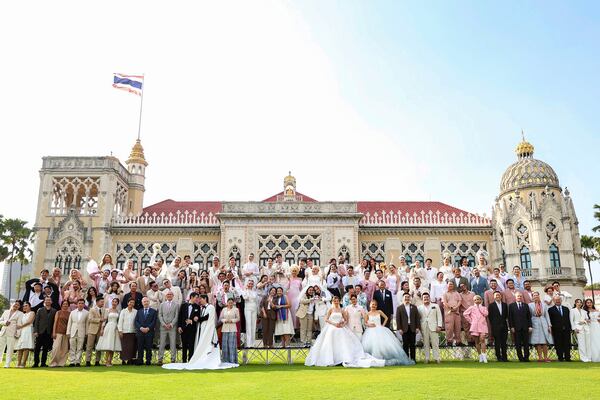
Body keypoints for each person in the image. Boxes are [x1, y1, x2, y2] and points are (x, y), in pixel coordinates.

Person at [163, 294, 238, 370]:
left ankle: (202, 360)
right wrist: (181, 325)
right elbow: (181, 316)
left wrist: (194, 320)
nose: (199, 300)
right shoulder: (188, 306)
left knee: (197, 346)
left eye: (200, 299)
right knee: (185, 346)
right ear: (191, 297)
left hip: (206, 331)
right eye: (197, 298)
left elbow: (207, 317)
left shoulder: (208, 307)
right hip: (195, 330)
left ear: (205, 299)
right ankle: (185, 360)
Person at [305, 296, 384, 367]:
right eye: (335, 301)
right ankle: (330, 360)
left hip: (341, 328)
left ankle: (341, 359)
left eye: (337, 301)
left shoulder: (342, 310)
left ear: (339, 301)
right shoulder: (331, 309)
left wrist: (343, 324)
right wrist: (334, 324)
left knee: (342, 344)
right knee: (330, 344)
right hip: (332, 328)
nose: (336, 302)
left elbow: (346, 320)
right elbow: (326, 319)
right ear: (333, 301)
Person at [361, 299, 414, 366]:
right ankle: (374, 360)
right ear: (370, 305)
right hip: (371, 331)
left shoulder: (379, 311)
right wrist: (369, 325)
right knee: (374, 345)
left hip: (380, 330)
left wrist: (382, 325)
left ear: (376, 306)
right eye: (372, 304)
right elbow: (365, 323)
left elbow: (386, 318)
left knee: (382, 345)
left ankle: (383, 358)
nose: (373, 306)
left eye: (375, 304)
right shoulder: (367, 314)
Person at [96, 297, 122, 366]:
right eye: (113, 301)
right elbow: (104, 321)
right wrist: (102, 329)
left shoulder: (118, 311)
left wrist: (119, 330)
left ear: (117, 303)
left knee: (113, 345)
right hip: (108, 327)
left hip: (115, 328)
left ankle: (110, 361)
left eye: (116, 302)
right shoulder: (107, 310)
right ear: (111, 302)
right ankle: (106, 361)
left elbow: (118, 321)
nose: (114, 303)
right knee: (108, 345)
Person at [463, 295, 489, 362]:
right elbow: (465, 314)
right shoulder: (471, 307)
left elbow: (486, 314)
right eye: (475, 300)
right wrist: (471, 321)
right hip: (475, 326)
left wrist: (480, 308)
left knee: (482, 340)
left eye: (478, 299)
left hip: (482, 326)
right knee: (477, 342)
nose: (477, 301)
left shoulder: (484, 308)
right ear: (473, 301)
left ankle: (484, 356)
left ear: (481, 300)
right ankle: (480, 356)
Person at [418, 293, 443, 364]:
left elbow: (439, 316)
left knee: (435, 343)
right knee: (426, 344)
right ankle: (427, 358)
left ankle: (437, 358)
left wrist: (439, 326)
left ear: (429, 298)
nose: (426, 299)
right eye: (424, 298)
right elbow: (418, 318)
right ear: (422, 299)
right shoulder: (419, 307)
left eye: (427, 297)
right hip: (424, 327)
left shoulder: (435, 306)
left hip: (434, 327)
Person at [529, 291, 553, 362]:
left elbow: (547, 315)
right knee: (538, 342)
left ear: (539, 296)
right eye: (534, 295)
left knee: (544, 341)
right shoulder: (529, 305)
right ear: (532, 297)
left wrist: (549, 325)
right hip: (534, 322)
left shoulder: (544, 304)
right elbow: (529, 316)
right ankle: (540, 358)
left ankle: (546, 357)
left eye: (537, 295)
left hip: (543, 322)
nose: (536, 296)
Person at [508, 292, 532, 362]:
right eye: (518, 296)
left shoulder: (526, 305)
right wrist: (511, 327)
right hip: (516, 328)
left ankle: (526, 357)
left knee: (526, 344)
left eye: (520, 296)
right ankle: (520, 358)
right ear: (515, 297)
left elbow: (529, 317)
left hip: (525, 327)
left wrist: (530, 326)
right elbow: (510, 317)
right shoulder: (511, 306)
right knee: (518, 344)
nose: (519, 297)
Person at [32, 296, 56, 367]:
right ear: (44, 301)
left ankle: (43, 363)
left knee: (45, 349)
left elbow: (54, 322)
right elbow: (36, 321)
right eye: (46, 300)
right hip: (40, 332)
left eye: (49, 300)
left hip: (48, 332)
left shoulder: (54, 311)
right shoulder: (40, 310)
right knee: (37, 349)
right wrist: (35, 331)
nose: (48, 301)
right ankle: (36, 363)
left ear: (51, 302)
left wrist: (52, 332)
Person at [396, 293, 420, 362]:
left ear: (410, 298)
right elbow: (398, 319)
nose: (407, 298)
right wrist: (399, 328)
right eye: (405, 297)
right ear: (403, 298)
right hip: (404, 329)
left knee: (413, 344)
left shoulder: (414, 307)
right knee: (405, 344)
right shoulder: (399, 308)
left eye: (408, 297)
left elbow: (417, 318)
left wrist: (417, 327)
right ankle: (406, 360)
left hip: (412, 328)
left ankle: (413, 359)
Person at [547, 295, 572, 362]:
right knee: (558, 344)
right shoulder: (550, 310)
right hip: (556, 330)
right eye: (556, 300)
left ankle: (567, 357)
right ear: (554, 301)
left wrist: (570, 328)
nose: (557, 301)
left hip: (566, 329)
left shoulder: (566, 309)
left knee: (567, 343)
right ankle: (560, 358)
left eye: (559, 299)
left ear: (561, 300)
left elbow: (569, 319)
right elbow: (550, 321)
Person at [158, 291, 179, 365]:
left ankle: (173, 359)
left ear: (173, 296)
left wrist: (171, 324)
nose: (169, 295)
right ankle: (160, 359)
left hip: (172, 327)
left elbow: (176, 316)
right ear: (166, 296)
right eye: (168, 294)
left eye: (170, 294)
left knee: (173, 343)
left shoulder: (176, 305)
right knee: (162, 344)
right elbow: (160, 315)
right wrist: (163, 324)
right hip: (163, 327)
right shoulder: (162, 305)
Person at [135, 297, 157, 365]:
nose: (146, 303)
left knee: (148, 347)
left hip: (149, 332)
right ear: (142, 303)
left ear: (149, 302)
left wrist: (148, 328)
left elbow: (154, 321)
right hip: (140, 332)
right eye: (144, 301)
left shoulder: (153, 311)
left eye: (147, 301)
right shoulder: (139, 311)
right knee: (140, 347)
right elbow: (136, 321)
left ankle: (148, 360)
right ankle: (140, 360)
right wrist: (140, 328)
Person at [178, 293, 200, 362]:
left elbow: (198, 317)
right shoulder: (183, 305)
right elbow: (180, 317)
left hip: (192, 329)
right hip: (183, 328)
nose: (197, 299)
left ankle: (190, 360)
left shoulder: (197, 307)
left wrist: (192, 320)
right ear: (191, 297)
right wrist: (179, 326)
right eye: (196, 297)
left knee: (191, 345)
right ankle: (184, 360)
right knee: (184, 345)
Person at [67, 298, 89, 366]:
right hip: (73, 331)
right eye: (79, 303)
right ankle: (72, 362)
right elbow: (69, 323)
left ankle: (78, 362)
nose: (81, 304)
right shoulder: (72, 312)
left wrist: (86, 333)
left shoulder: (87, 313)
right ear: (77, 304)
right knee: (72, 347)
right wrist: (68, 332)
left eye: (82, 303)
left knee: (80, 347)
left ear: (84, 304)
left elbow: (87, 324)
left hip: (82, 332)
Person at [85, 296, 106, 366]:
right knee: (89, 346)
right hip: (92, 330)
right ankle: (88, 361)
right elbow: (90, 319)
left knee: (99, 346)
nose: (103, 303)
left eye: (103, 302)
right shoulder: (92, 310)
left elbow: (105, 320)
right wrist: (99, 320)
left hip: (100, 331)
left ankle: (97, 361)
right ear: (97, 302)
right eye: (101, 302)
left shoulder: (104, 310)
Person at [488, 291, 508, 362]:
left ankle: (505, 357)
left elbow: (506, 315)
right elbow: (490, 317)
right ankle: (498, 357)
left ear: (501, 296)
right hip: (495, 326)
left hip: (504, 326)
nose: (498, 296)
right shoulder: (491, 305)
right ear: (494, 297)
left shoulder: (505, 305)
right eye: (496, 295)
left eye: (499, 295)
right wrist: (494, 324)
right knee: (497, 342)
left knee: (504, 343)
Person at [49, 300, 71, 367]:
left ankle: (61, 363)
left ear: (68, 305)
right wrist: (54, 332)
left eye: (66, 304)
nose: (65, 305)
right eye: (64, 304)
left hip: (66, 333)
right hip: (58, 332)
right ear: (61, 305)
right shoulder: (58, 312)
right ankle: (53, 363)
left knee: (64, 349)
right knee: (56, 348)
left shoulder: (70, 313)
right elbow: (55, 322)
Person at [117, 298, 138, 365]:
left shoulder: (136, 311)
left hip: (132, 331)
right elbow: (120, 321)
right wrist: (120, 331)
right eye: (130, 302)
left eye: (133, 303)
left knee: (131, 347)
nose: (131, 304)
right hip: (124, 331)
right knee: (124, 347)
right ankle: (123, 360)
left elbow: (136, 322)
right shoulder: (123, 311)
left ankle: (130, 360)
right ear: (127, 303)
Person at [14, 301, 35, 368]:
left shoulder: (32, 313)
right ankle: (18, 363)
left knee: (26, 347)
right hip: (21, 331)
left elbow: (29, 321)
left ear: (29, 306)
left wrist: (21, 326)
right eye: (23, 306)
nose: (24, 307)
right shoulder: (22, 314)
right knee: (20, 348)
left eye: (26, 306)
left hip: (28, 330)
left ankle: (23, 363)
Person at [220, 298, 240, 364]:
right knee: (225, 345)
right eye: (229, 302)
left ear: (233, 303)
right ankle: (225, 360)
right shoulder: (224, 309)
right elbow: (221, 318)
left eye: (232, 303)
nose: (230, 304)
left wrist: (232, 321)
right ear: (227, 303)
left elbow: (238, 318)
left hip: (232, 328)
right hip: (225, 328)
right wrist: (225, 321)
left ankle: (232, 360)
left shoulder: (236, 309)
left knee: (232, 345)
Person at [442, 281, 462, 346]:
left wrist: (456, 307)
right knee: (449, 328)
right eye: (449, 284)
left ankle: (458, 341)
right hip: (449, 313)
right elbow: (444, 302)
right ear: (447, 285)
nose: (450, 285)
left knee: (458, 327)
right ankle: (449, 341)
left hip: (456, 312)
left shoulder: (456, 293)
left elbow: (460, 301)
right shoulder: (445, 294)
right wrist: (450, 307)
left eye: (452, 284)